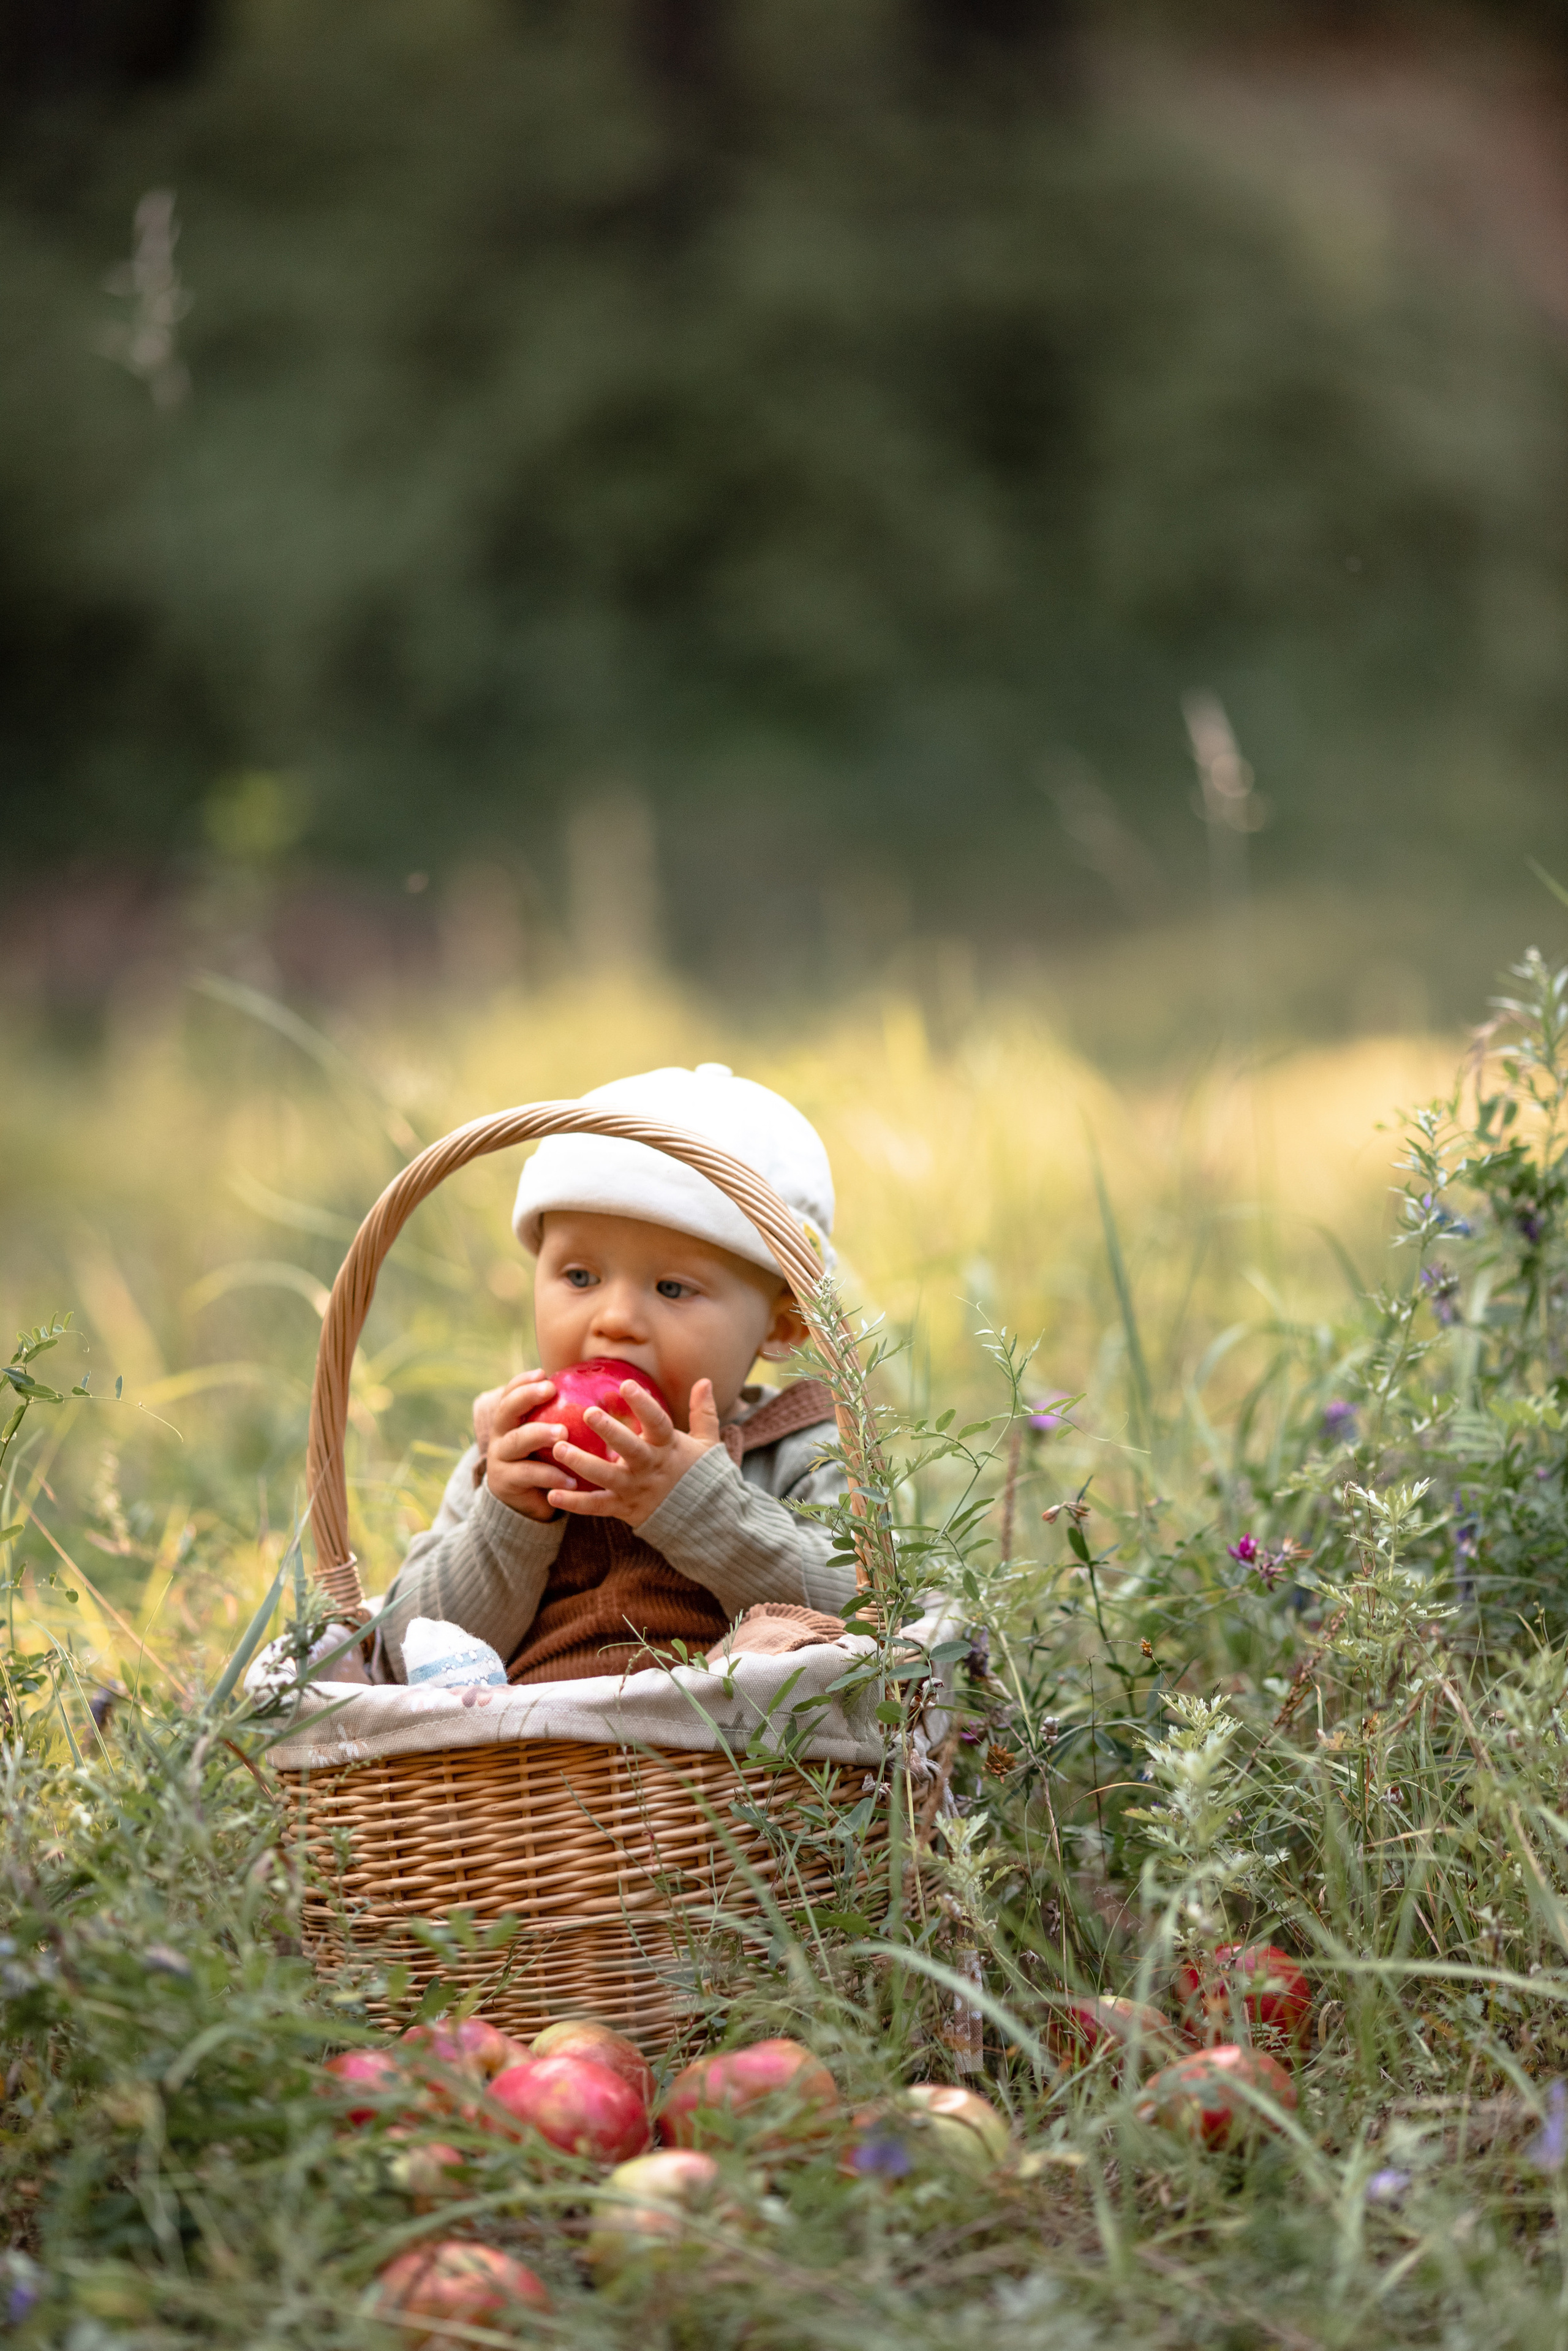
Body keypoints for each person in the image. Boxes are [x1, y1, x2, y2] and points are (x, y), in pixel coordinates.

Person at [374, 1063, 854, 1686]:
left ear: (782, 1326)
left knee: (786, 1644)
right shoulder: (513, 1449)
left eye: (673, 1287)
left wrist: (706, 1509)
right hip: (524, 1768)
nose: (616, 1319)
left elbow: (872, 1613)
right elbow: (400, 1651)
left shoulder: (799, 1451)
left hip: (734, 1760)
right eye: (579, 1277)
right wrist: (508, 1520)